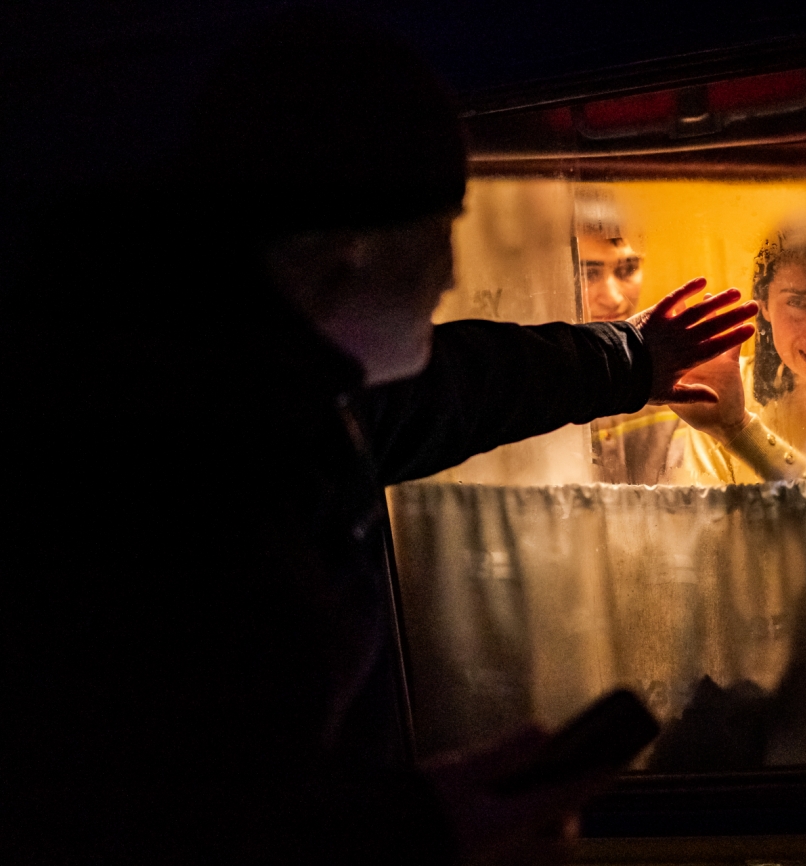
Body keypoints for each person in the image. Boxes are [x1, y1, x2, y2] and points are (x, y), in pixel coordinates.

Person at [0, 12, 755, 863]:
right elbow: (157, 815)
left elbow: (455, 388)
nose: (453, 274)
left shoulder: (266, 398)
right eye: (439, 232)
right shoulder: (145, 473)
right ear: (345, 253)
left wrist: (629, 361)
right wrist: (419, 829)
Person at [670, 215, 806, 484]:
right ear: (763, 305)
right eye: (798, 302)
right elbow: (705, 521)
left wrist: (737, 430)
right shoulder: (725, 387)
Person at [578, 191, 691, 485]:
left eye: (627, 269)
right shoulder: (536, 380)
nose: (614, 298)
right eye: (588, 274)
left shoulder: (676, 375)